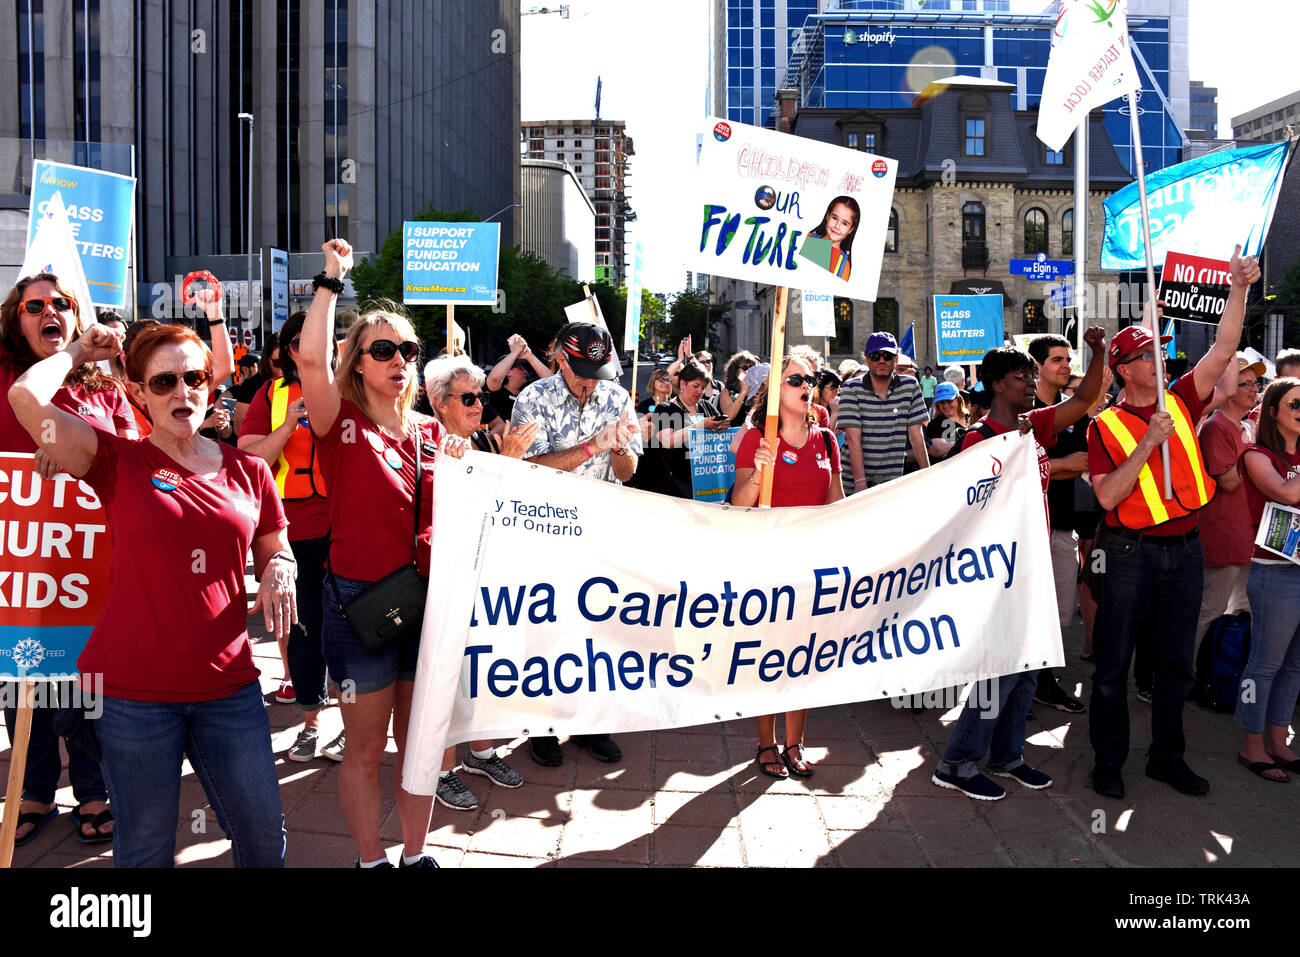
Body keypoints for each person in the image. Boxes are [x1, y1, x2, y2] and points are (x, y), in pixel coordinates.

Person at [10, 320, 296, 867]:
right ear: (138, 394)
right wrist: (77, 350)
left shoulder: (249, 470)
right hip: (133, 700)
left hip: (229, 690)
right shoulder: (115, 460)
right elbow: (25, 396)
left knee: (264, 842)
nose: (182, 391)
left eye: (193, 377)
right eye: (163, 383)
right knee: (144, 853)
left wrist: (282, 567)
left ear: (210, 385)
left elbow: (275, 544)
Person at [297, 238, 470, 869]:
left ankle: (415, 856)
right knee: (366, 750)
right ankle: (371, 861)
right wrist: (330, 280)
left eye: (409, 350)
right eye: (384, 350)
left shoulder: (432, 431)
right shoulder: (337, 420)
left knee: (419, 748)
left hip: (424, 607)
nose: (399, 360)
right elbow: (311, 361)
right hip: (355, 608)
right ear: (359, 362)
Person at [1087, 246, 1259, 800]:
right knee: (1114, 666)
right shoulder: (1106, 426)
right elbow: (1110, 495)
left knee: (1176, 665)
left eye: (1160, 350)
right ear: (1124, 370)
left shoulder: (1184, 397)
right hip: (1131, 552)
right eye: (1150, 354)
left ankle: (1167, 757)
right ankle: (1108, 763)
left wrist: (1238, 289)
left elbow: (1224, 347)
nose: (1162, 357)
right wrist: (1148, 443)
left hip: (1186, 549)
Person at [931, 328, 1108, 801]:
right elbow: (965, 512)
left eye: (1031, 374)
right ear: (994, 386)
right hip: (997, 571)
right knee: (1000, 670)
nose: (1029, 382)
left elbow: (1088, 396)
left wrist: (1098, 352)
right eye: (1019, 376)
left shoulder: (1036, 426)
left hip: (1032, 563)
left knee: (1030, 666)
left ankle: (1007, 756)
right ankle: (957, 762)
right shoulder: (978, 439)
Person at [0, 273, 130, 847]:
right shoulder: (5, 375)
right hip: (20, 562)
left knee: (82, 682)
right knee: (20, 677)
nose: (50, 311)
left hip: (86, 564)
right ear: (15, 317)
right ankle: (30, 789)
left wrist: (76, 453)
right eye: (36, 305)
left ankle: (94, 789)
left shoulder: (103, 387)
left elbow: (129, 454)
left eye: (63, 304)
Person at [511, 321, 642, 767]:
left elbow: (628, 473)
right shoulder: (532, 399)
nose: (591, 382)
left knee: (599, 630)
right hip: (546, 536)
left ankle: (590, 722)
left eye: (598, 370)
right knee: (546, 632)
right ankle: (542, 724)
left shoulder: (617, 396)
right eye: (583, 370)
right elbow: (531, 469)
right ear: (560, 359)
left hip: (602, 535)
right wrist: (592, 447)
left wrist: (621, 449)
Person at [424, 355, 535, 808]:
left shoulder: (479, 441)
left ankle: (480, 750)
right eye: (467, 398)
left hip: (485, 580)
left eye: (480, 396)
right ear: (440, 404)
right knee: (448, 676)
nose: (477, 405)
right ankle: (442, 768)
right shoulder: (435, 447)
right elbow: (467, 512)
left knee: (482, 670)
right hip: (446, 579)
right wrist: (508, 463)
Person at [238, 309, 345, 764]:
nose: (313, 347)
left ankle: (351, 727)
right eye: (302, 340)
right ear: (287, 351)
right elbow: (248, 457)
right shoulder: (271, 393)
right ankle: (310, 722)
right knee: (302, 630)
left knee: (351, 631)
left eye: (322, 339)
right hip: (292, 532)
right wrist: (287, 426)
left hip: (348, 527)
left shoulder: (355, 389)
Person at [732, 355, 843, 777]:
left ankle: (795, 743)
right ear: (776, 390)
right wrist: (760, 470)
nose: (806, 384)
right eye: (795, 378)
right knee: (768, 654)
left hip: (812, 567)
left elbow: (835, 504)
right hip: (768, 564)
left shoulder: (827, 441)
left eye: (809, 379)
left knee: (806, 656)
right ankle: (766, 743)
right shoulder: (756, 438)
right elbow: (740, 503)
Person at [1236, 377, 1300, 782]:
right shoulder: (1256, 454)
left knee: (1295, 665)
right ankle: (1252, 744)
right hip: (1274, 573)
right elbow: (1286, 494)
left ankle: (1280, 741)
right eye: (1296, 405)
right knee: (1265, 663)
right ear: (1273, 411)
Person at [1027, 334, 1090, 714]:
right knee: (1028, 608)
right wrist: (1060, 466)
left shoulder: (1074, 412)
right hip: (1028, 525)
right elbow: (1026, 469)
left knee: (1060, 610)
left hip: (1063, 523)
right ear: (1036, 366)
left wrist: (1054, 467)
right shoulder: (1024, 412)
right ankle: (1030, 683)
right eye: (1056, 359)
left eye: (1068, 358)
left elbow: (1082, 461)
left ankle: (1039, 678)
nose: (1065, 365)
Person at [1193, 355, 1262, 665]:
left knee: (1237, 612)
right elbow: (1229, 481)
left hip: (1245, 537)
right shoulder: (1216, 427)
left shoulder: (1246, 428)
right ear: (1226, 388)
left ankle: (1218, 673)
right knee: (1210, 610)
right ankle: (1183, 673)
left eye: (1256, 383)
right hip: (1223, 536)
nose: (1254, 389)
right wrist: (1258, 456)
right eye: (1245, 383)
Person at [839, 331, 929, 494]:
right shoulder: (851, 388)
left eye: (887, 355)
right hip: (852, 483)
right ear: (867, 359)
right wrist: (860, 483)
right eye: (875, 356)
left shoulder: (910, 386)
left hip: (891, 484)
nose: (881, 360)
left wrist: (927, 475)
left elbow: (917, 435)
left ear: (895, 360)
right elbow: (853, 438)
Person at [649, 359, 730, 499]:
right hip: (677, 487)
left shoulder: (706, 405)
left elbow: (720, 431)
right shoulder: (664, 409)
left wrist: (724, 424)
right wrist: (699, 426)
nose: (700, 391)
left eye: (703, 388)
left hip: (707, 482)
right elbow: (668, 442)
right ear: (682, 384)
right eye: (696, 386)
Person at [485, 332, 551, 425]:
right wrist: (515, 352)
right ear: (508, 372)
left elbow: (554, 383)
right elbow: (494, 379)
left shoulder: (529, 391)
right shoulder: (498, 393)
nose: (525, 372)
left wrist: (529, 356)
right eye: (520, 368)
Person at [803, 195, 860, 280]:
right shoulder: (807, 238)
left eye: (845, 223)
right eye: (834, 218)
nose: (837, 226)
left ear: (851, 229)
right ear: (827, 216)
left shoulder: (844, 266)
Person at [924, 381, 967, 463]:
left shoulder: (971, 418)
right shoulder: (934, 425)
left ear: (958, 399)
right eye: (942, 402)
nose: (946, 405)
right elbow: (937, 449)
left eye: (949, 401)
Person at [722, 350, 759, 426]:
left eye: (752, 367)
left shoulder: (758, 390)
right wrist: (743, 392)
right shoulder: (727, 392)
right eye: (745, 368)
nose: (749, 371)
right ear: (735, 371)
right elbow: (729, 417)